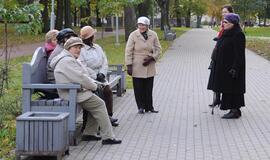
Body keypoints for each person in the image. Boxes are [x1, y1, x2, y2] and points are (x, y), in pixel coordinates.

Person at [50, 37, 122, 144]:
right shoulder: (67, 61)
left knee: (96, 104)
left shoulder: (68, 58)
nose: (78, 50)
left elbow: (83, 75)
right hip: (71, 93)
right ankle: (108, 137)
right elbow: (81, 77)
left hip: (76, 91)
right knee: (100, 104)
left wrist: (95, 84)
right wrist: (94, 86)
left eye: (79, 47)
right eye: (75, 47)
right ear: (68, 48)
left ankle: (89, 133)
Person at [78, 25, 119, 127]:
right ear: (89, 37)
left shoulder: (97, 47)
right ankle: (96, 121)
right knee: (97, 94)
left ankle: (109, 115)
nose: (94, 36)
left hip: (101, 76)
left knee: (108, 91)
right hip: (90, 78)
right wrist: (95, 75)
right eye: (93, 35)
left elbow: (104, 61)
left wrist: (102, 73)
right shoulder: (81, 50)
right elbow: (82, 66)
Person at [207, 13, 246, 119]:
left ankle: (235, 111)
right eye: (223, 21)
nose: (223, 23)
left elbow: (239, 55)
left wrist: (235, 68)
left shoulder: (238, 34)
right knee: (227, 88)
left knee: (233, 89)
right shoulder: (226, 32)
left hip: (232, 68)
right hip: (223, 66)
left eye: (226, 22)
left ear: (233, 23)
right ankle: (233, 110)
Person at [125, 16, 161, 114]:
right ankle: (140, 107)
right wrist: (129, 65)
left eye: (144, 25)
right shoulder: (133, 35)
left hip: (149, 64)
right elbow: (128, 51)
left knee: (149, 88)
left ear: (147, 25)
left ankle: (149, 107)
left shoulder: (153, 34)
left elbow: (158, 49)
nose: (141, 27)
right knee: (138, 88)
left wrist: (152, 57)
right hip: (137, 65)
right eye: (140, 25)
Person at [209, 5, 234, 108]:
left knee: (221, 78)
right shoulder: (222, 23)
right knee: (215, 77)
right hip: (217, 53)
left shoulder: (231, 23)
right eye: (223, 12)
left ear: (230, 13)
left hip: (225, 56)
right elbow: (221, 35)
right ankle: (217, 99)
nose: (223, 14)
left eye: (225, 12)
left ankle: (223, 100)